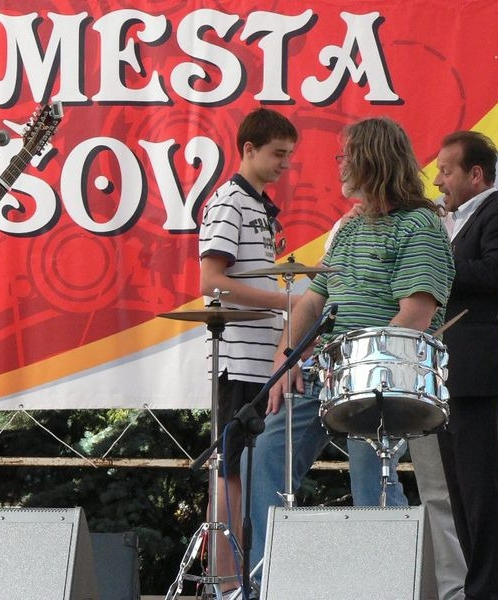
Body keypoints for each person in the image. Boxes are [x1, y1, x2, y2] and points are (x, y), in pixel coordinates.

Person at [243, 116, 455, 581]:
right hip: (327, 369)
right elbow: (312, 300)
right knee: (262, 456)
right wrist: (285, 357)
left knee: (371, 484)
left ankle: (386, 584)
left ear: (372, 161)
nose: (340, 165)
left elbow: (416, 315)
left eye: (347, 156)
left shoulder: (420, 226)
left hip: (380, 377)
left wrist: (360, 365)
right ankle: (264, 581)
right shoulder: (350, 226)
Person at [431, 130, 498, 600]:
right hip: (450, 379)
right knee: (461, 500)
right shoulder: (450, 224)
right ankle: (480, 589)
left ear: (476, 174)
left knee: (484, 497)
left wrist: (431, 263)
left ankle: (491, 593)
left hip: (487, 374)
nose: (438, 181)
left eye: (445, 170)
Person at [198, 108, 297, 596]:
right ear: (249, 149)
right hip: (238, 357)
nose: (285, 164)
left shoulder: (259, 206)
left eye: (289, 155)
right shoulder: (229, 202)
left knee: (245, 470)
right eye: (278, 154)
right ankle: (226, 583)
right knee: (230, 471)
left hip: (263, 359)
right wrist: (287, 302)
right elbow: (211, 281)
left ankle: (241, 580)